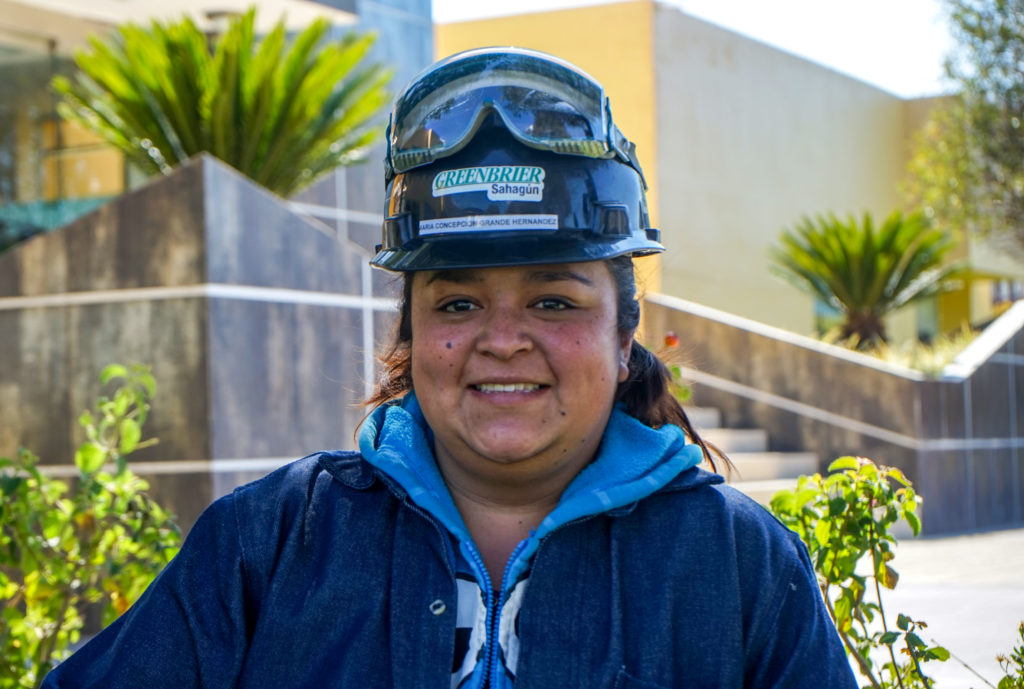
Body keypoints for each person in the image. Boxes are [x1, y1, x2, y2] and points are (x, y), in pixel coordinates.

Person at [44, 47, 857, 688]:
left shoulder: (740, 567)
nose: (502, 340)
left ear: (623, 337)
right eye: (459, 303)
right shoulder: (269, 542)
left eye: (553, 301)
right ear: (411, 332)